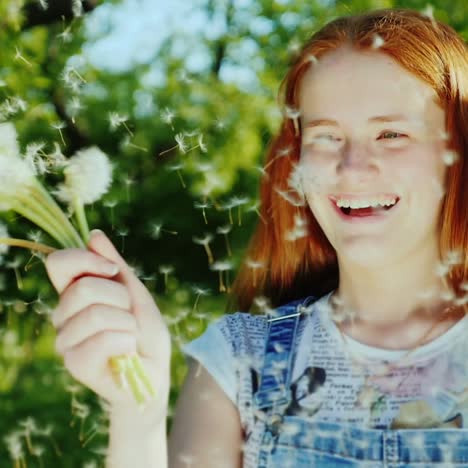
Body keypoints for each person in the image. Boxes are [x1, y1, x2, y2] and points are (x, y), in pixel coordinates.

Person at [45, 7, 468, 467]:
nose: (352, 166)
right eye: (326, 137)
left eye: (391, 134)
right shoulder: (239, 361)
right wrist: (136, 411)